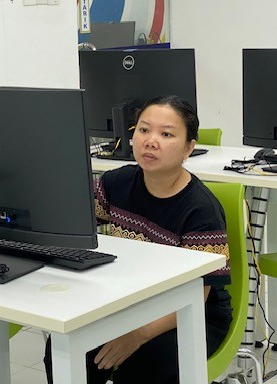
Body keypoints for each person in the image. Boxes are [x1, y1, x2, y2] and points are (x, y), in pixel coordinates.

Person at [44, 95, 232, 384]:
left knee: (144, 365)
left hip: (192, 313)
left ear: (188, 148)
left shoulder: (201, 210)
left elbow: (199, 294)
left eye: (166, 134)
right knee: (62, 348)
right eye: (143, 130)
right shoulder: (116, 182)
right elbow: (76, 223)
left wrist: (137, 334)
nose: (151, 141)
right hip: (131, 299)